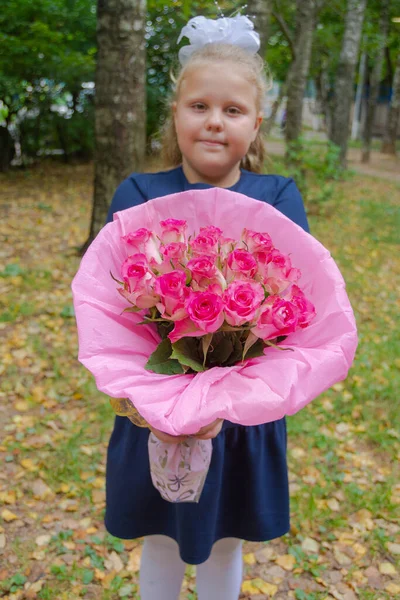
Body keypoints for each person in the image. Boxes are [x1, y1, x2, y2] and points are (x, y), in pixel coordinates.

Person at [104, 15, 309, 600]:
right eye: (198, 106)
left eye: (232, 110)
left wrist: (229, 400)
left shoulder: (278, 199)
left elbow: (292, 313)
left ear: (256, 122)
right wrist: (159, 401)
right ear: (175, 114)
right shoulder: (138, 196)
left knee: (225, 542)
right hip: (155, 413)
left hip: (241, 419)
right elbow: (111, 308)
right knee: (161, 539)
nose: (214, 121)